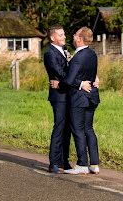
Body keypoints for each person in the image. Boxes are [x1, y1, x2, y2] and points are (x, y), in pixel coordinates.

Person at [51, 26, 100, 175]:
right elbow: (91, 73)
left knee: (78, 130)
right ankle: (94, 164)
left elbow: (69, 80)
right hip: (92, 96)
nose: (72, 36)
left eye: (75, 35)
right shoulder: (92, 54)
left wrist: (60, 84)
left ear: (79, 39)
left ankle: (82, 164)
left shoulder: (78, 58)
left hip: (79, 99)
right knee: (89, 129)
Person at [43, 24, 72, 174]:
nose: (64, 37)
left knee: (68, 128)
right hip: (59, 96)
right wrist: (73, 79)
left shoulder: (65, 51)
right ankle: (53, 162)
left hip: (68, 93)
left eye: (64, 34)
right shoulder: (50, 54)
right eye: (61, 35)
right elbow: (59, 72)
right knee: (59, 127)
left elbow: (71, 68)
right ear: (53, 38)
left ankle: (64, 160)